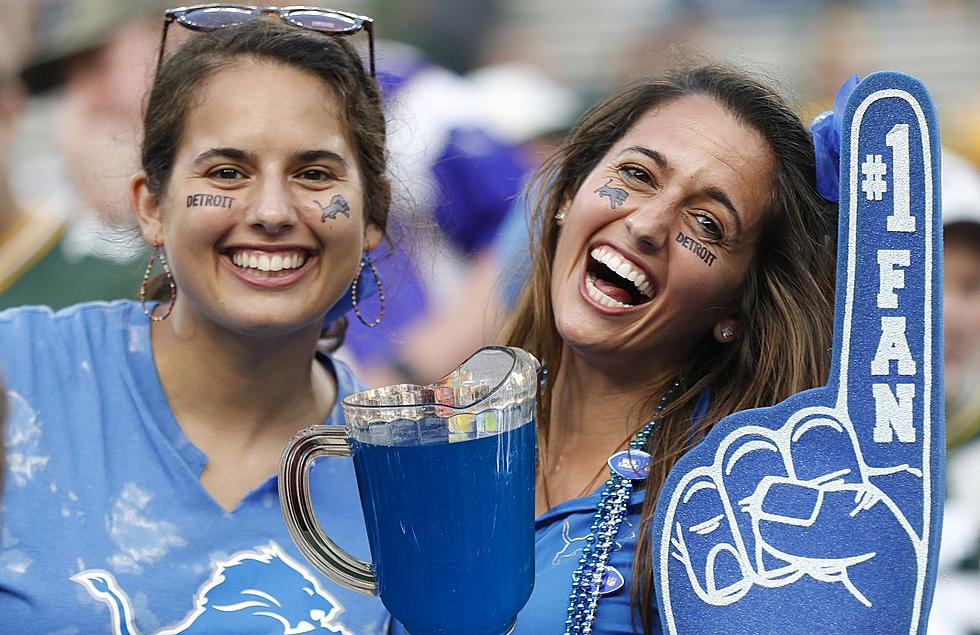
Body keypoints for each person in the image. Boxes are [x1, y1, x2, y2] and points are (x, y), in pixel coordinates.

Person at [0, 13, 394, 633]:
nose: (270, 211)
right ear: (152, 207)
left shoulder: (413, 478)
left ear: (374, 214)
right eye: (227, 173)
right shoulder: (18, 374)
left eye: (314, 174)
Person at [501, 66, 837, 632]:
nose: (648, 224)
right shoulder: (452, 427)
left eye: (706, 223)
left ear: (735, 309)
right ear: (567, 195)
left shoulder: (734, 521)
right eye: (636, 174)